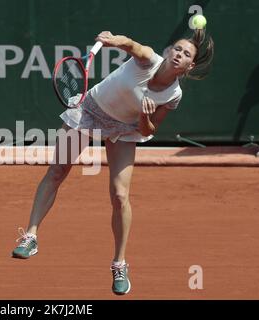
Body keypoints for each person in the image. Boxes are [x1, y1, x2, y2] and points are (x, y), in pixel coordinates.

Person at [12, 29, 214, 295]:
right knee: (58, 170)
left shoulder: (173, 95)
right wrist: (112, 40)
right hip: (89, 109)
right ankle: (31, 236)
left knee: (120, 196)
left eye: (186, 54)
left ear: (189, 67)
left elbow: (148, 131)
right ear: (167, 51)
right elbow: (131, 44)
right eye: (177, 48)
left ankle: (119, 263)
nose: (179, 54)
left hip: (124, 128)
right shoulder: (148, 60)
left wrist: (144, 115)